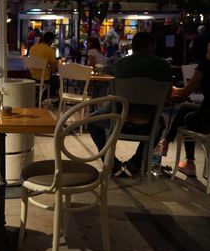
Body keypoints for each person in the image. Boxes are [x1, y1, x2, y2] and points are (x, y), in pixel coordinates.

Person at [88, 31, 172, 177]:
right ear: (152, 46)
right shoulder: (164, 67)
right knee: (160, 124)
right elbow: (167, 97)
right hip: (147, 122)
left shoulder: (122, 64)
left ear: (133, 46)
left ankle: (112, 165)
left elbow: (111, 77)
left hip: (119, 118)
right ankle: (135, 164)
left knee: (91, 122)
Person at [156, 41, 210, 176]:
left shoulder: (205, 66)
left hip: (206, 119)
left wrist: (172, 89)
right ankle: (166, 141)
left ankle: (190, 163)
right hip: (207, 113)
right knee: (185, 107)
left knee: (187, 119)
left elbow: (185, 92)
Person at [28, 31, 59, 97]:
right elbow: (53, 70)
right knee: (57, 82)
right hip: (43, 79)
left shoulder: (33, 48)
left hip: (31, 77)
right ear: (50, 40)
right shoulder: (51, 51)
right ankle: (42, 97)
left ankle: (37, 97)